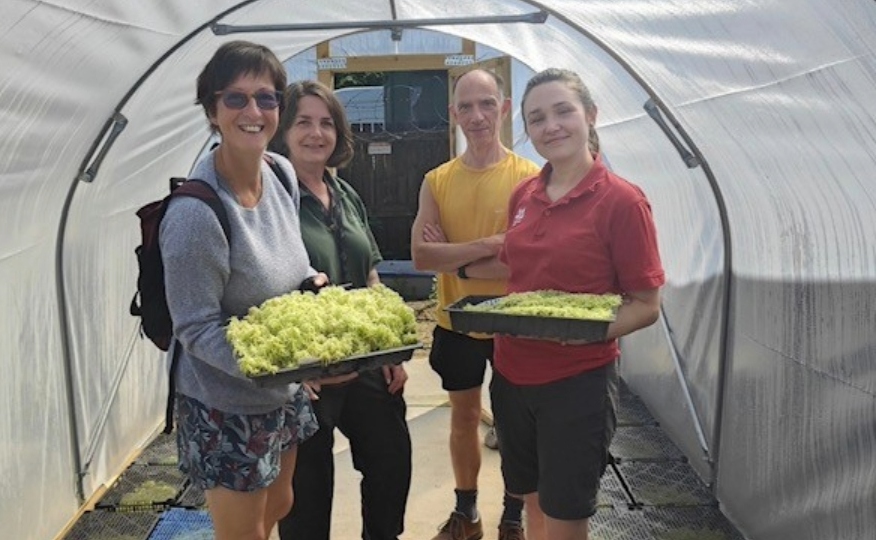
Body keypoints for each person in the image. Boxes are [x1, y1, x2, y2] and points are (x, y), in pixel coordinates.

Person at [160, 40, 327, 540]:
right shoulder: (196, 215)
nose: (253, 111)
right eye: (235, 99)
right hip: (223, 401)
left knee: (282, 500)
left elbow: (288, 264)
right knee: (244, 532)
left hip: (281, 390)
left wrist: (310, 286)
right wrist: (278, 363)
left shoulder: (280, 175)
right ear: (212, 110)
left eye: (267, 97)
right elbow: (195, 328)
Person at [490, 68, 666, 540]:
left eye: (563, 110)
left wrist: (586, 330)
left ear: (590, 115)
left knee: (566, 513)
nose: (551, 126)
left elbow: (647, 304)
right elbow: (520, 274)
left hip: (576, 384)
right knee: (532, 502)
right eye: (537, 118)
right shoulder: (524, 196)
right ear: (527, 131)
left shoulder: (622, 201)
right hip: (510, 375)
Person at [272, 80, 412, 540]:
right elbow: (258, 289)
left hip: (365, 363)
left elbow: (370, 274)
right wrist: (292, 367)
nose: (317, 133)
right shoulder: (270, 197)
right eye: (304, 122)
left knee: (391, 465)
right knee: (307, 500)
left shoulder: (343, 192)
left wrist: (389, 350)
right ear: (283, 131)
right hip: (309, 375)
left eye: (326, 123)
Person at [411, 68, 539, 540]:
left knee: (514, 425)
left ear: (504, 109)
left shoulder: (529, 179)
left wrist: (457, 261)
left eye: (487, 104)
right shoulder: (437, 181)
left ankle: (512, 515)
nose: (477, 115)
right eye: (466, 106)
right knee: (463, 417)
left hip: (513, 323)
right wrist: (490, 243)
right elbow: (422, 255)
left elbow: (525, 264)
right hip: (456, 323)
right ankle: (467, 514)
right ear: (453, 115)